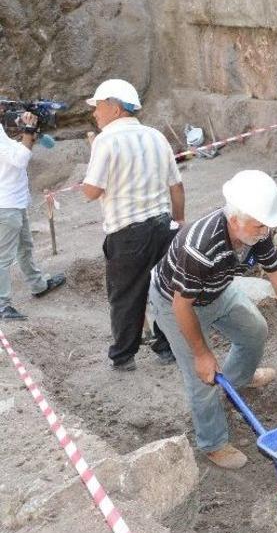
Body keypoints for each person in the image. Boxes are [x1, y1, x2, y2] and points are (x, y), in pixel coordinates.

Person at [148, 170, 277, 469]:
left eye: (267, 225)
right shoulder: (199, 246)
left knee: (255, 331)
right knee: (203, 378)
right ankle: (213, 443)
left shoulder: (256, 231)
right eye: (259, 225)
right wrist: (202, 354)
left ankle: (238, 382)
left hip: (217, 289)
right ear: (235, 219)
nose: (265, 231)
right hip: (177, 302)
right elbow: (181, 305)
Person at [82, 79, 184, 371]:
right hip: (163, 226)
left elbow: (91, 191)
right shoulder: (156, 136)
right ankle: (167, 346)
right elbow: (176, 186)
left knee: (126, 294)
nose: (95, 114)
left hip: (126, 233)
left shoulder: (105, 141)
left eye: (98, 107)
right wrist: (178, 221)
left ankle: (123, 356)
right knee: (165, 289)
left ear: (114, 108)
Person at [0, 110, 66, 319]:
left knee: (25, 247)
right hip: (6, 206)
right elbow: (19, 160)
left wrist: (29, 134)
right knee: (3, 258)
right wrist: (28, 132)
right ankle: (2, 305)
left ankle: (37, 285)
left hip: (14, 203)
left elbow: (13, 153)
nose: (3, 110)